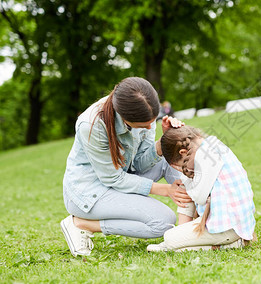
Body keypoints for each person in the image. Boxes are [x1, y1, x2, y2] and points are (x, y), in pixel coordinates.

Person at [61, 77, 191, 257]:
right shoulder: (91, 125)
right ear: (124, 117)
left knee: (170, 154)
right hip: (91, 192)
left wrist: (164, 143)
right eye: (143, 126)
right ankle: (80, 224)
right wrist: (166, 189)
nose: (148, 128)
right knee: (164, 223)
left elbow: (138, 163)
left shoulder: (144, 111)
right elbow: (112, 178)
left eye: (151, 122)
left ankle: (196, 219)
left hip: (123, 177)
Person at [146, 126, 256, 252]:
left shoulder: (206, 157)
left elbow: (199, 196)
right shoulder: (211, 145)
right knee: (175, 238)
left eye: (181, 166)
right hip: (235, 224)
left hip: (228, 228)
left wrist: (185, 178)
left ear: (183, 152)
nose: (184, 170)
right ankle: (185, 240)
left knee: (170, 238)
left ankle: (231, 244)